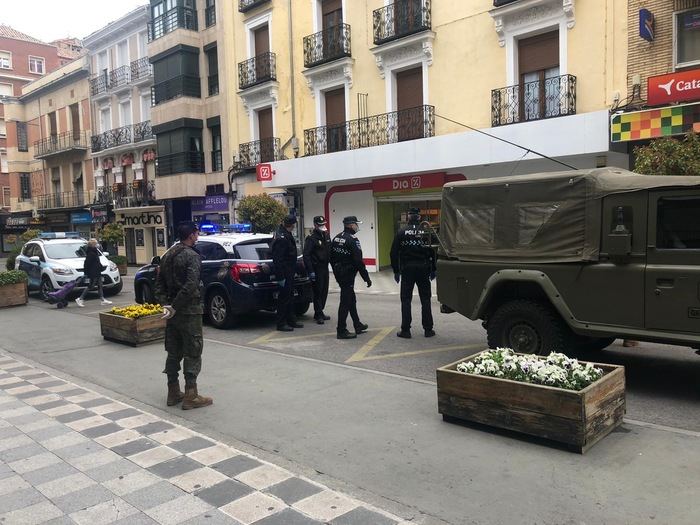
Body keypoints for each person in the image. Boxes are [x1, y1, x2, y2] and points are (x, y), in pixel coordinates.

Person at [155, 221, 212, 410]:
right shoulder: (192, 256)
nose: (197, 236)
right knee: (193, 351)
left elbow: (159, 284)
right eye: (196, 233)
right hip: (189, 311)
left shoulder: (167, 255)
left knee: (173, 351)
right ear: (191, 235)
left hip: (172, 314)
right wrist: (175, 306)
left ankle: (173, 392)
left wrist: (167, 306)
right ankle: (191, 395)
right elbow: (191, 285)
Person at [390, 208, 436, 339]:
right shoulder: (426, 231)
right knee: (425, 299)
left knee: (406, 300)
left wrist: (396, 270)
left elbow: (393, 253)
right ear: (419, 217)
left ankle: (405, 330)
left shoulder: (401, 232)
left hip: (407, 269)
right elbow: (434, 251)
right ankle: (428, 330)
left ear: (409, 218)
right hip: (423, 268)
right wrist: (433, 268)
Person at [330, 216, 371, 340]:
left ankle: (357, 324)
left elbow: (331, 257)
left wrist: (336, 273)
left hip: (339, 273)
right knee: (345, 302)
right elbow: (358, 261)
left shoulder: (336, 237)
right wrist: (366, 278)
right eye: (356, 224)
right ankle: (341, 330)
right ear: (351, 225)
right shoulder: (353, 240)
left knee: (351, 299)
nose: (357, 226)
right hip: (348, 274)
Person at [272, 215, 303, 332]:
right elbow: (278, 259)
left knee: (290, 297)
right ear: (291, 224)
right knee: (284, 299)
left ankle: (291, 320)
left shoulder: (285, 234)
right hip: (284, 273)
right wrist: (280, 277)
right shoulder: (281, 237)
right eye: (294, 224)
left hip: (289, 271)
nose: (295, 226)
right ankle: (281, 323)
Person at [303, 215, 331, 324]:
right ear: (315, 225)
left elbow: (329, 251)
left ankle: (320, 311)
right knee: (318, 292)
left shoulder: (326, 235)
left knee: (324, 290)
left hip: (325, 267)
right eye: (320, 225)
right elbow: (306, 255)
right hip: (317, 268)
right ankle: (318, 313)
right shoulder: (311, 238)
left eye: (323, 224)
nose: (322, 226)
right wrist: (310, 271)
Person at [75, 238, 112, 307]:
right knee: (91, 286)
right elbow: (87, 264)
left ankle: (102, 299)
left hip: (97, 271)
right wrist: (86, 273)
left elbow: (97, 262)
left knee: (100, 285)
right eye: (96, 244)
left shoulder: (94, 251)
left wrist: (101, 267)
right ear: (93, 245)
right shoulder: (91, 253)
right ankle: (80, 298)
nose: (97, 245)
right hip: (93, 272)